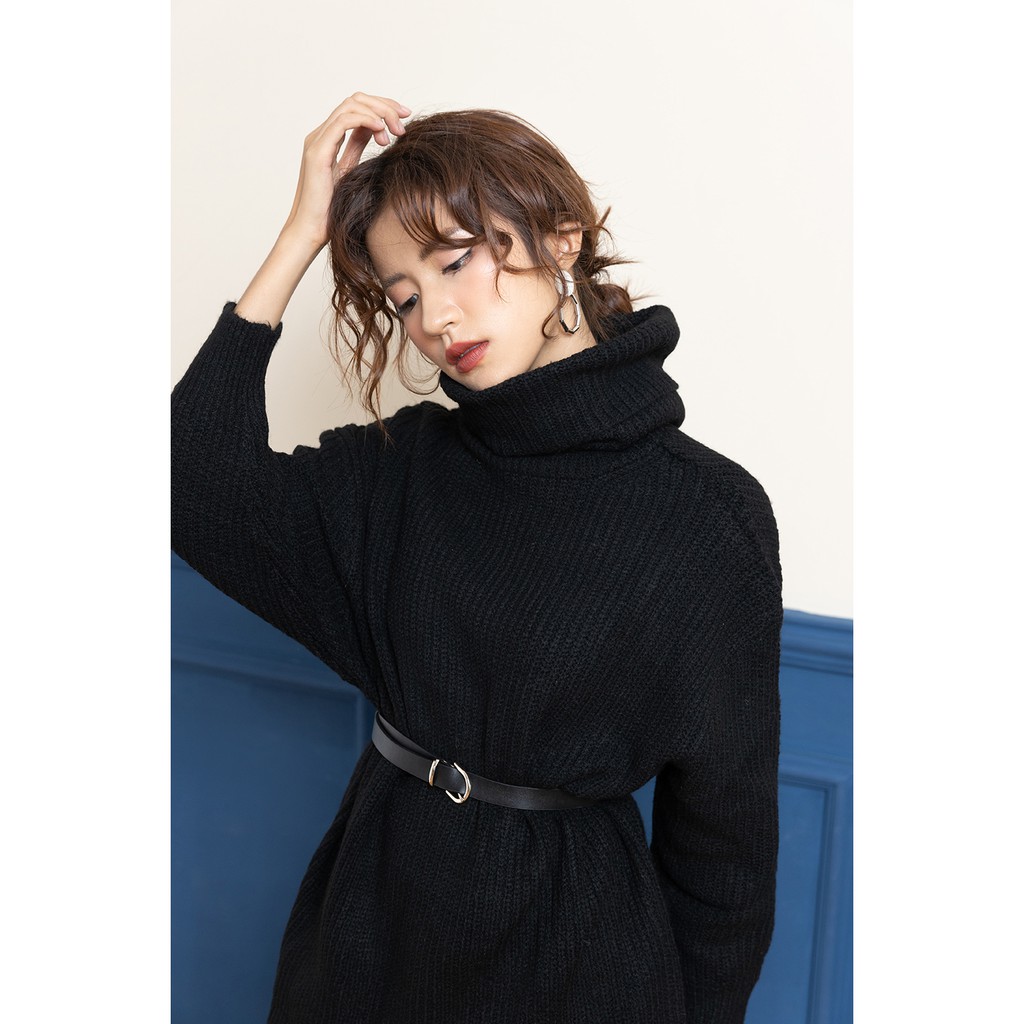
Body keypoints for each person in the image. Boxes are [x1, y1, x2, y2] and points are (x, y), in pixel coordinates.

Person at [171, 91, 784, 1024]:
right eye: (404, 296)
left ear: (563, 239)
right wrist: (302, 232)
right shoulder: (404, 469)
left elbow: (724, 855)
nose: (436, 317)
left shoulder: (708, 516)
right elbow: (189, 481)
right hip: (371, 924)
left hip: (573, 958)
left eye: (457, 260)